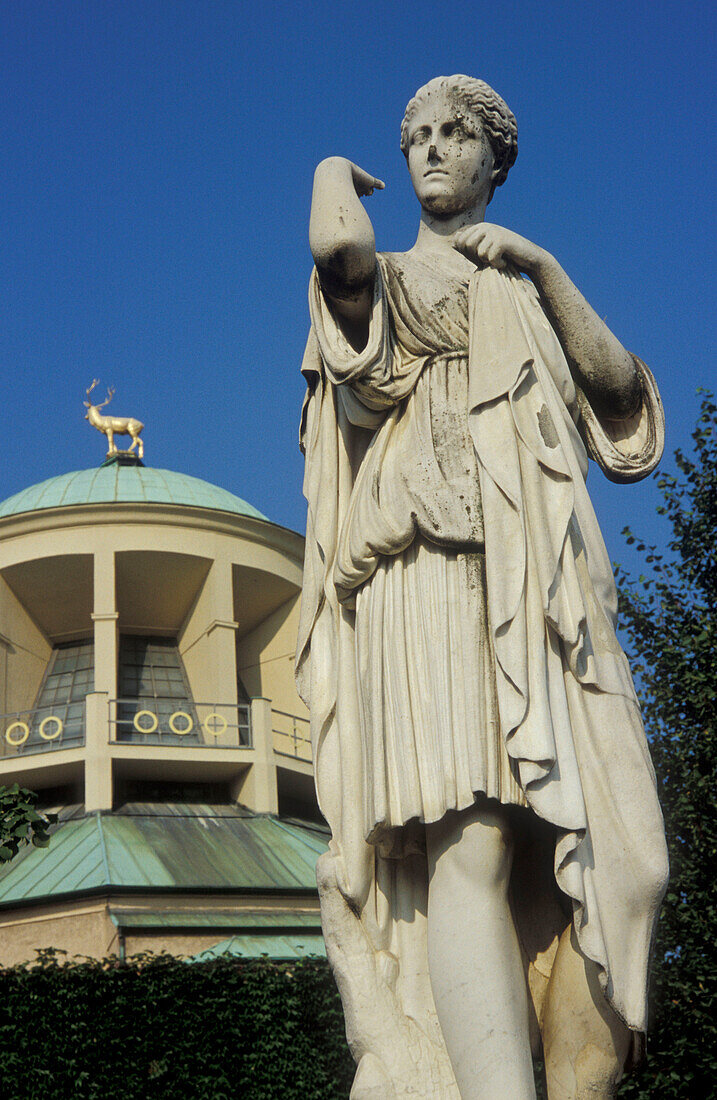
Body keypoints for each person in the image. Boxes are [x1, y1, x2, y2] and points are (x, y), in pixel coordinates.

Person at [296, 76, 668, 1099]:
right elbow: (338, 251)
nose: (430, 148)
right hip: (428, 570)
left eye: (455, 133)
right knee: (471, 840)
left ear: (495, 158)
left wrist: (543, 266)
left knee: (631, 863)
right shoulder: (388, 279)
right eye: (415, 134)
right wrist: (336, 172)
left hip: (545, 583)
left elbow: (624, 405)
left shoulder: (521, 287)